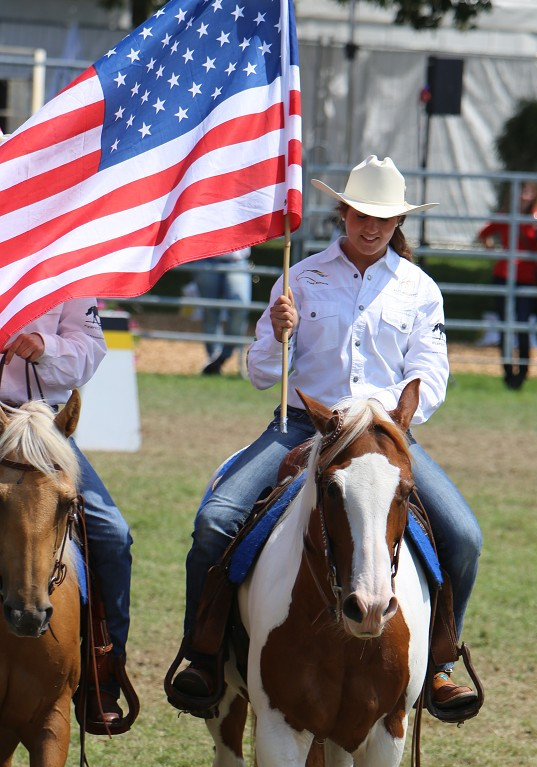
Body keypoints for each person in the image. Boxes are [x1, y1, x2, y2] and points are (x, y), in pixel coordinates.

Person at [170, 155, 483, 720]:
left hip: (384, 437)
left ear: (398, 224)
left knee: (464, 535)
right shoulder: (301, 277)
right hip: (301, 425)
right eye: (362, 214)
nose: (372, 227)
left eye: (384, 219)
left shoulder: (419, 289)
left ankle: (439, 662)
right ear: (343, 212)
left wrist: (394, 419)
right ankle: (204, 654)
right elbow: (261, 371)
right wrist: (278, 336)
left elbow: (431, 373)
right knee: (216, 521)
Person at [0, 301, 135, 732]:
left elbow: (90, 351)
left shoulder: (68, 262)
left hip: (45, 429)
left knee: (112, 535)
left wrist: (43, 346)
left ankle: (102, 671)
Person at [477, 181, 537, 390]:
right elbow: (484, 234)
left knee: (523, 325)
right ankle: (508, 373)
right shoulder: (505, 215)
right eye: (522, 191)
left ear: (535, 194)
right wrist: (496, 252)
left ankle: (523, 374)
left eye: (529, 191)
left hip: (527, 277)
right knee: (505, 326)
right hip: (504, 275)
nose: (525, 195)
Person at [193, 249, 252, 376]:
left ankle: (222, 357)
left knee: (239, 309)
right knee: (210, 312)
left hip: (237, 259)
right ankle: (214, 359)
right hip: (206, 257)